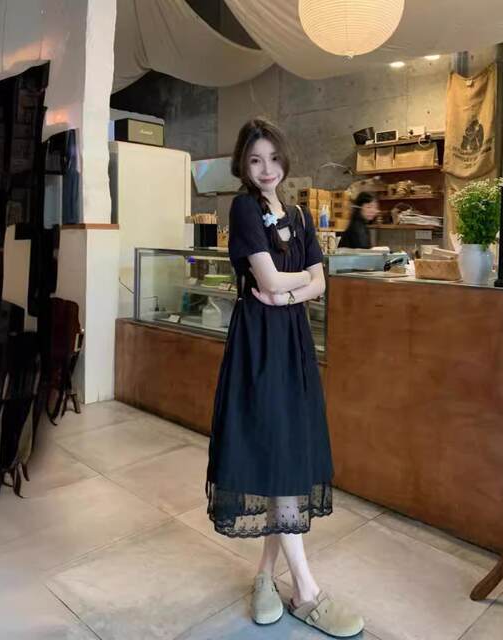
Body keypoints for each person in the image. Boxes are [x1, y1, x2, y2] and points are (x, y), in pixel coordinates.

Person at [206, 119, 364, 638]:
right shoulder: (244, 209)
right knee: (274, 446)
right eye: (255, 160)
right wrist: (292, 286)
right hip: (258, 345)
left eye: (273, 158)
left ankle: (264, 578)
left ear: (285, 159)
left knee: (288, 449)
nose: (266, 169)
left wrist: (286, 294)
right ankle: (307, 592)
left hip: (292, 339)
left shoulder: (297, 213)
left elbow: (319, 281)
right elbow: (270, 278)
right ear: (243, 164)